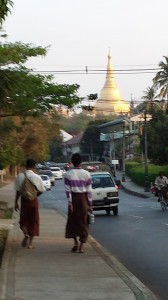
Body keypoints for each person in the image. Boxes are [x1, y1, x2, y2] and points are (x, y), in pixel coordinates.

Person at [64, 153, 93, 253]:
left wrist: (70, 204)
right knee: (83, 222)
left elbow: (68, 191)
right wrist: (90, 204)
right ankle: (81, 246)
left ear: (72, 162)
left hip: (74, 199)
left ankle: (75, 242)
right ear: (81, 162)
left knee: (72, 222)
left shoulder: (68, 174)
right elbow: (89, 191)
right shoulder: (86, 174)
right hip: (83, 199)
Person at [14, 159, 45, 249]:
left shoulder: (20, 176)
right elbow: (42, 190)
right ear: (34, 166)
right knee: (34, 221)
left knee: (23, 220)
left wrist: (16, 202)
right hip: (33, 202)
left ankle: (25, 232)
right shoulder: (37, 177)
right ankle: (30, 244)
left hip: (24, 201)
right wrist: (34, 195)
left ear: (25, 166)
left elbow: (18, 191)